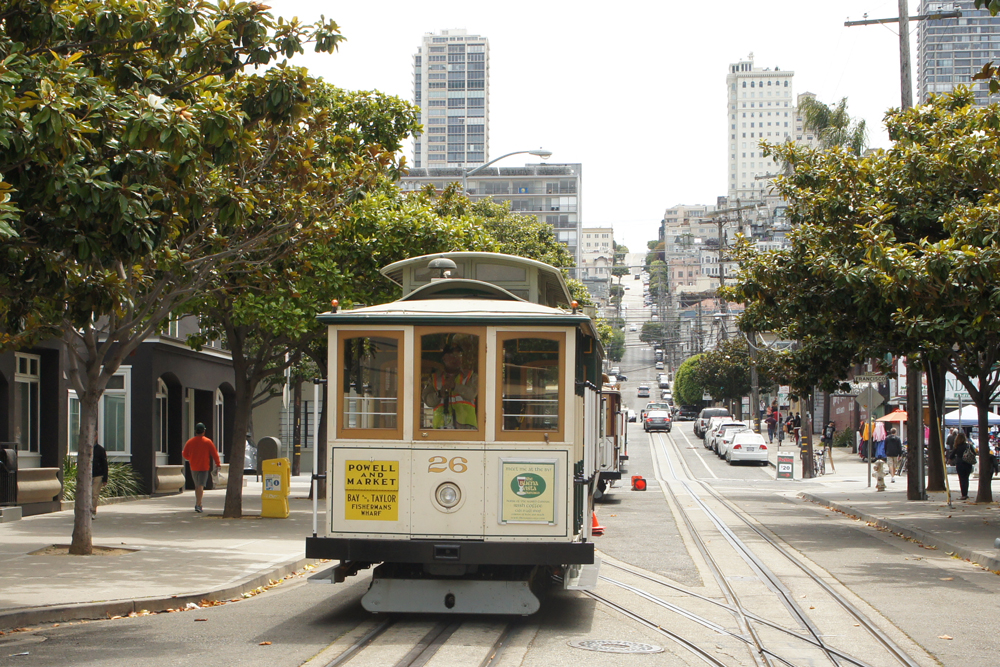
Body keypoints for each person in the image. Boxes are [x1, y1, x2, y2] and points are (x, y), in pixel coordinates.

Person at [422, 342, 478, 429]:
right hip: (441, 428)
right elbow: (428, 401)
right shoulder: (435, 378)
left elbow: (471, 394)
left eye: (459, 355)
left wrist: (455, 386)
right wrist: (439, 394)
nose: (457, 358)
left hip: (466, 429)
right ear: (444, 358)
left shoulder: (470, 376)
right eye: (453, 355)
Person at [182, 423, 220, 513]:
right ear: (204, 431)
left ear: (195, 431)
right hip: (204, 467)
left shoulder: (190, 442)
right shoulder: (207, 441)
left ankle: (198, 503)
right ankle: (198, 504)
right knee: (201, 486)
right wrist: (218, 463)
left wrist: (190, 458)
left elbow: (184, 454)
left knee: (197, 486)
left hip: (194, 466)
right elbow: (214, 453)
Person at [948, 431, 974, 501]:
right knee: (966, 478)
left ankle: (963, 494)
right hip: (968, 463)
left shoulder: (957, 447)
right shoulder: (968, 446)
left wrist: (949, 460)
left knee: (962, 479)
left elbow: (952, 455)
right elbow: (974, 453)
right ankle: (966, 493)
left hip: (960, 463)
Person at [91, 441, 108, 520]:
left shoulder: (100, 450)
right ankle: (84, 512)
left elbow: (104, 464)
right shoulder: (85, 448)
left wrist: (105, 479)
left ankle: (92, 512)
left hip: (98, 475)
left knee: (94, 494)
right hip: (87, 475)